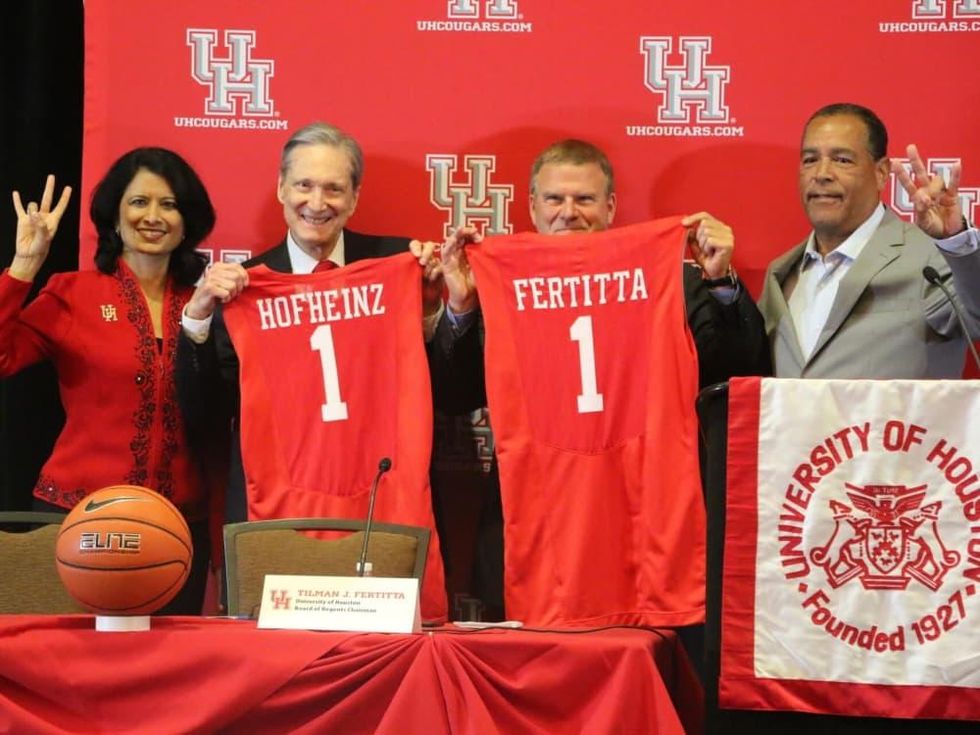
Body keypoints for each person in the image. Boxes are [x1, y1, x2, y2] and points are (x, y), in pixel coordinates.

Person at [425, 138, 771, 620]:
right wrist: (460, 308)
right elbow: (453, 395)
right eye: (555, 199)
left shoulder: (670, 277)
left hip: (642, 526)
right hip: (530, 526)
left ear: (610, 207)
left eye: (584, 199)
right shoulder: (495, 286)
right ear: (532, 206)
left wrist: (720, 283)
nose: (569, 213)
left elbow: (739, 377)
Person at [176, 121, 473, 524]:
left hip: (380, 507)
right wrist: (197, 317)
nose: (317, 202)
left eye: (333, 189)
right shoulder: (244, 286)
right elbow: (206, 415)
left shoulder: (396, 265)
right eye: (303, 185)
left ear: (354, 198)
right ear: (281, 188)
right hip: (276, 518)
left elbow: (452, 395)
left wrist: (433, 311)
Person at [1, 148, 217, 614]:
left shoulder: (211, 299)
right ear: (115, 217)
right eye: (139, 202)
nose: (153, 216)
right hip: (80, 522)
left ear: (187, 222)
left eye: (170, 204)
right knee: (71, 673)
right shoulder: (73, 293)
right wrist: (22, 266)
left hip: (178, 528)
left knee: (168, 676)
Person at [758, 102, 980, 378]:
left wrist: (957, 242)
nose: (821, 174)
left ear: (882, 172)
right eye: (810, 159)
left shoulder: (930, 259)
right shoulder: (780, 274)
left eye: (842, 160)